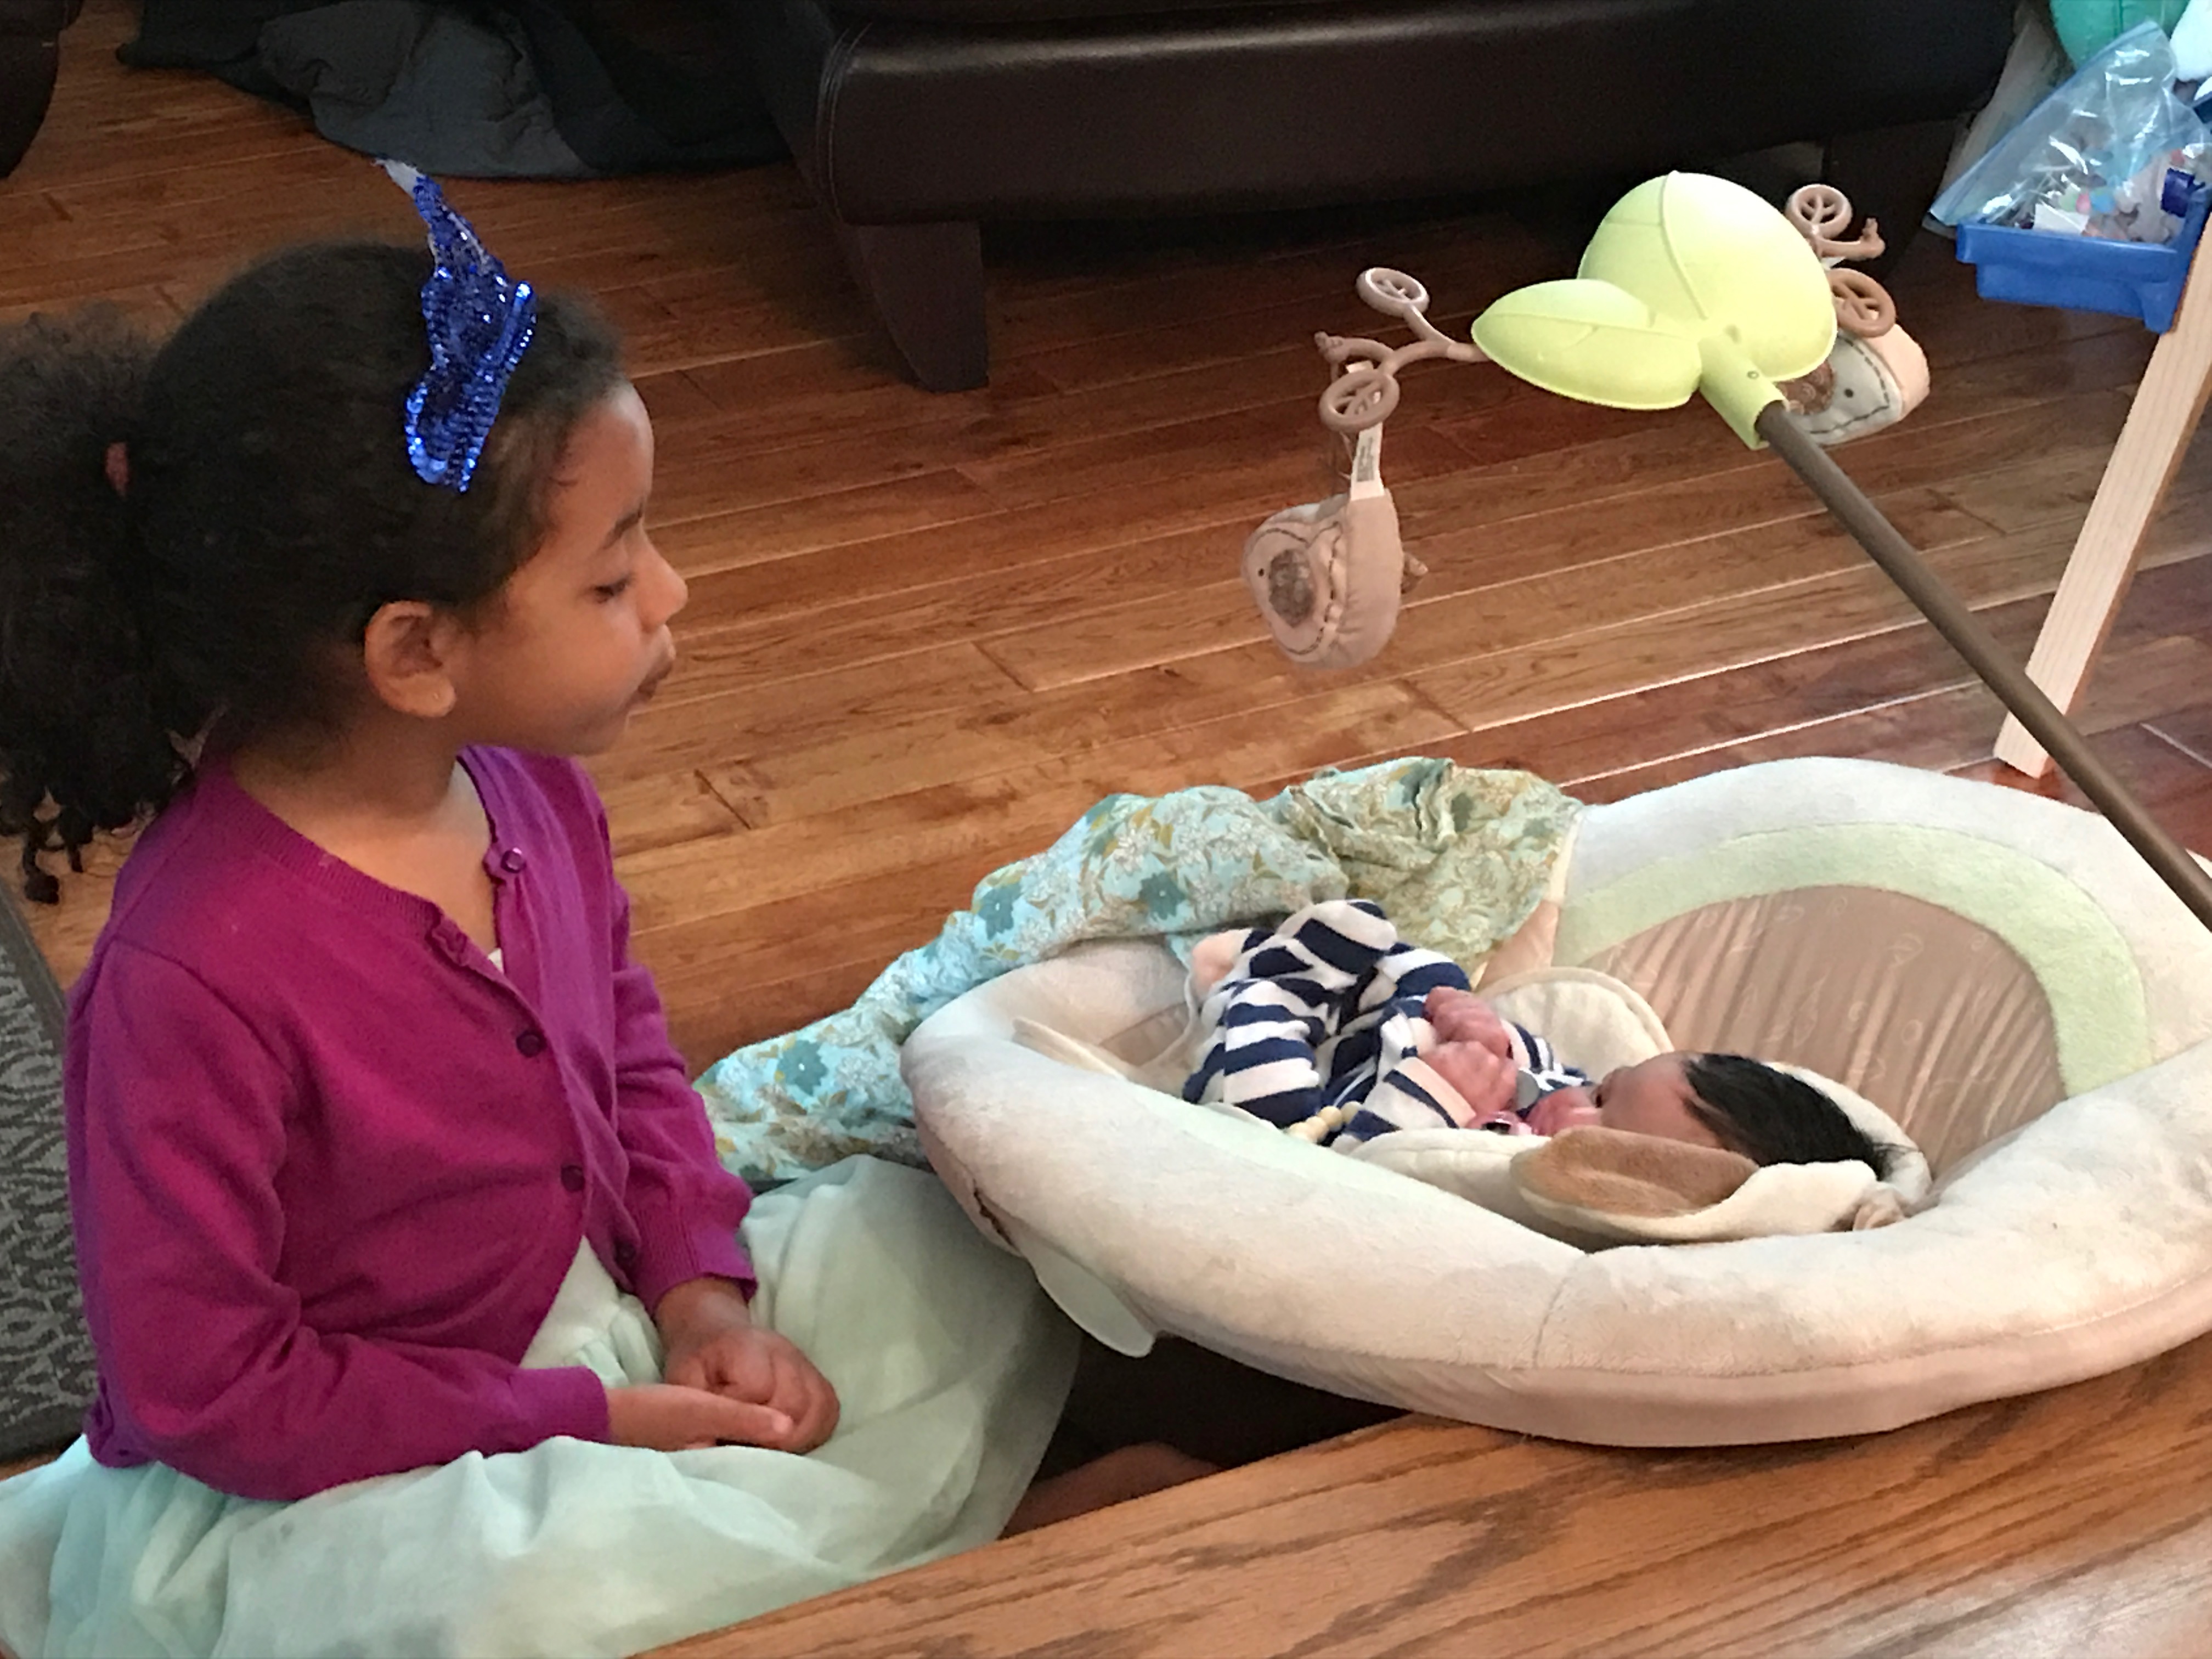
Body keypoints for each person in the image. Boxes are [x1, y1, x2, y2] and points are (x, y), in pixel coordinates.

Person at [0, 170, 1166, 1658]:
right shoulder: (189, 978)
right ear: (415, 653)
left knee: (937, 1234)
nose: (672, 593)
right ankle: (950, 1552)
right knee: (528, 1598)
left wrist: (701, 1297)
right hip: (352, 1462)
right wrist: (591, 1418)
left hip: (594, 1322)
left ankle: (862, 1546)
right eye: (614, 578)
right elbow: (214, 1393)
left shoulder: (529, 795)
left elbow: (627, 1058)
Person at [1184, 899, 1890, 1173]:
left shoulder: (1512, 1177)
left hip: (1313, 1133)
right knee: (1439, 981)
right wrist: (1494, 1038)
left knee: (1261, 1105)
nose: (1576, 1099)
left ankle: (1271, 985)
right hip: (1373, 1046)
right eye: (1604, 1088)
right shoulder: (1561, 1096)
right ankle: (1335, 970)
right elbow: (1551, 1068)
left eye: (1601, 1115)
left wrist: (1429, 1099)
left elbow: (1363, 1187)